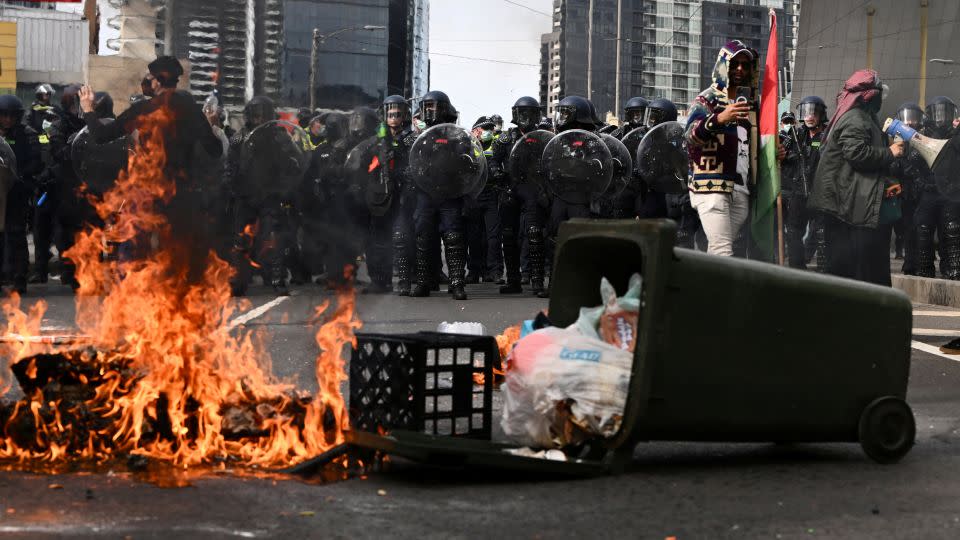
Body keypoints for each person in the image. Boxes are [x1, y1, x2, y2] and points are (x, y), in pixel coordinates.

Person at [78, 56, 225, 285]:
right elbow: (215, 150)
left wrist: (88, 109)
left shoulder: (144, 109)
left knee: (134, 251)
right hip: (181, 195)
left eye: (151, 78)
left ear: (158, 81)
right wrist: (208, 124)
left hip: (147, 193)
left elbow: (100, 135)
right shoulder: (190, 110)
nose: (148, 82)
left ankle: (129, 292)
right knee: (180, 258)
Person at [808, 69, 905, 286]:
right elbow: (857, 153)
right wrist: (890, 152)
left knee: (856, 268)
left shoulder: (861, 117)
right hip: (846, 206)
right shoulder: (855, 118)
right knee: (853, 268)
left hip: (851, 203)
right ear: (871, 95)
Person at [685, 40, 760, 257]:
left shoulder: (750, 104)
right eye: (735, 63)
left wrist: (775, 152)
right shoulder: (707, 98)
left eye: (746, 65)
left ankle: (701, 286)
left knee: (721, 249)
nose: (740, 69)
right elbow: (690, 135)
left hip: (741, 189)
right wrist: (719, 118)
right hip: (711, 186)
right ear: (723, 65)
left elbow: (752, 145)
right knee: (722, 250)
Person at [409, 90, 469, 300]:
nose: (429, 111)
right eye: (426, 107)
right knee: (423, 237)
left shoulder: (457, 135)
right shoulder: (417, 137)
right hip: (425, 193)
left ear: (443, 109)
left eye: (433, 107)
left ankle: (457, 284)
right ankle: (424, 282)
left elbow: (466, 160)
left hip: (449, 192)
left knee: (453, 236)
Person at [490, 96, 549, 297]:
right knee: (508, 235)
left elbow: (552, 160)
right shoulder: (505, 138)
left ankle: (537, 281)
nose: (526, 117)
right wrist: (496, 171)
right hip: (509, 190)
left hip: (533, 190)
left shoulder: (544, 138)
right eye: (522, 113)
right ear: (516, 114)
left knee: (534, 233)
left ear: (536, 114)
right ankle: (513, 280)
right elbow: (493, 161)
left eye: (529, 113)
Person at [0, 95, 42, 294]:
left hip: (17, 192)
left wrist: (22, 177)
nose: (7, 119)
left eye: (11, 115)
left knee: (16, 234)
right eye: (3, 115)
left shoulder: (28, 135)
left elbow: (36, 162)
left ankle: (19, 278)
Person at [780, 95, 827, 269]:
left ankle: (824, 270)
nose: (809, 116)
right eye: (806, 112)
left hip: (820, 192)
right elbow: (780, 155)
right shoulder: (796, 135)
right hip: (798, 191)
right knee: (793, 232)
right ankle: (797, 269)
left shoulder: (827, 136)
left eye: (813, 112)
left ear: (821, 114)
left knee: (822, 232)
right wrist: (782, 154)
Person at [889, 102, 928, 276]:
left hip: (920, 192)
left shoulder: (925, 140)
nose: (910, 123)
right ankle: (908, 261)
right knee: (904, 230)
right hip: (900, 194)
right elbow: (890, 166)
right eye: (907, 118)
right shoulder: (893, 140)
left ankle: (917, 264)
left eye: (914, 118)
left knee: (918, 229)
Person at [923, 96, 960, 278]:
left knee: (952, 230)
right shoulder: (923, 134)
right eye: (938, 113)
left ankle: (953, 270)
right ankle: (923, 270)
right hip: (928, 191)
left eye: (945, 113)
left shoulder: (956, 135)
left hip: (950, 191)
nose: (941, 118)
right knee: (922, 229)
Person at [465, 116, 502, 284]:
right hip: (474, 196)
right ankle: (474, 271)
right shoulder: (468, 146)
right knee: (474, 236)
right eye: (484, 128)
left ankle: (493, 271)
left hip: (491, 194)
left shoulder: (497, 145)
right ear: (475, 131)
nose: (487, 131)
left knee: (493, 236)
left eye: (490, 128)